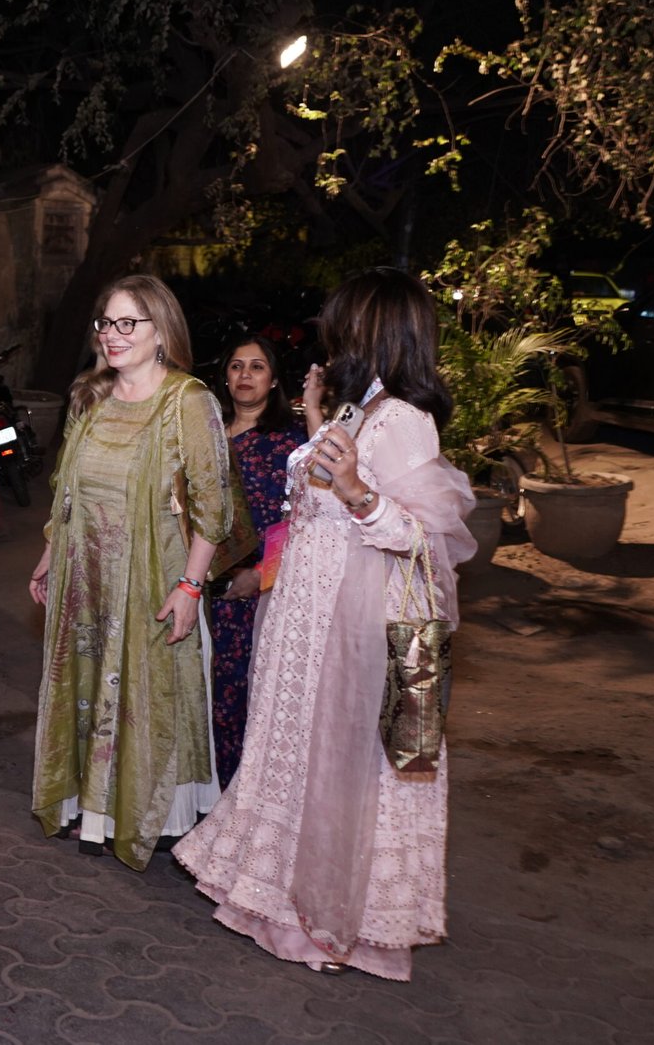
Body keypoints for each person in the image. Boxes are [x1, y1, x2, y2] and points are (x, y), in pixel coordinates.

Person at [173, 267, 476, 980]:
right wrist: (317, 420)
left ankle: (339, 920)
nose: (330, 335)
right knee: (302, 759)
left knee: (352, 769)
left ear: (373, 330)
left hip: (357, 629)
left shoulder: (405, 420)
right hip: (308, 618)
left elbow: (428, 538)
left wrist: (358, 491)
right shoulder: (361, 407)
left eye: (342, 323)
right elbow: (316, 499)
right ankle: (280, 900)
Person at [26, 274, 233, 869]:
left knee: (150, 695)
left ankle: (156, 814)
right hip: (85, 575)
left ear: (160, 330)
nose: (112, 335)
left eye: (127, 323)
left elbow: (213, 505)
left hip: (152, 580)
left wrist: (190, 586)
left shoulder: (188, 401)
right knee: (88, 684)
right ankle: (93, 807)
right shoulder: (90, 396)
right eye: (105, 323)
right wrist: (49, 554)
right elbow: (67, 487)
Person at [205, 336, 306, 787]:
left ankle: (242, 799)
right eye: (236, 366)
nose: (245, 375)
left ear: (275, 380)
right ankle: (200, 798)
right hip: (198, 585)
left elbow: (303, 521)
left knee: (245, 700)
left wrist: (262, 575)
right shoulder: (205, 434)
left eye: (257, 366)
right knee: (199, 696)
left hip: (258, 595)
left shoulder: (291, 442)